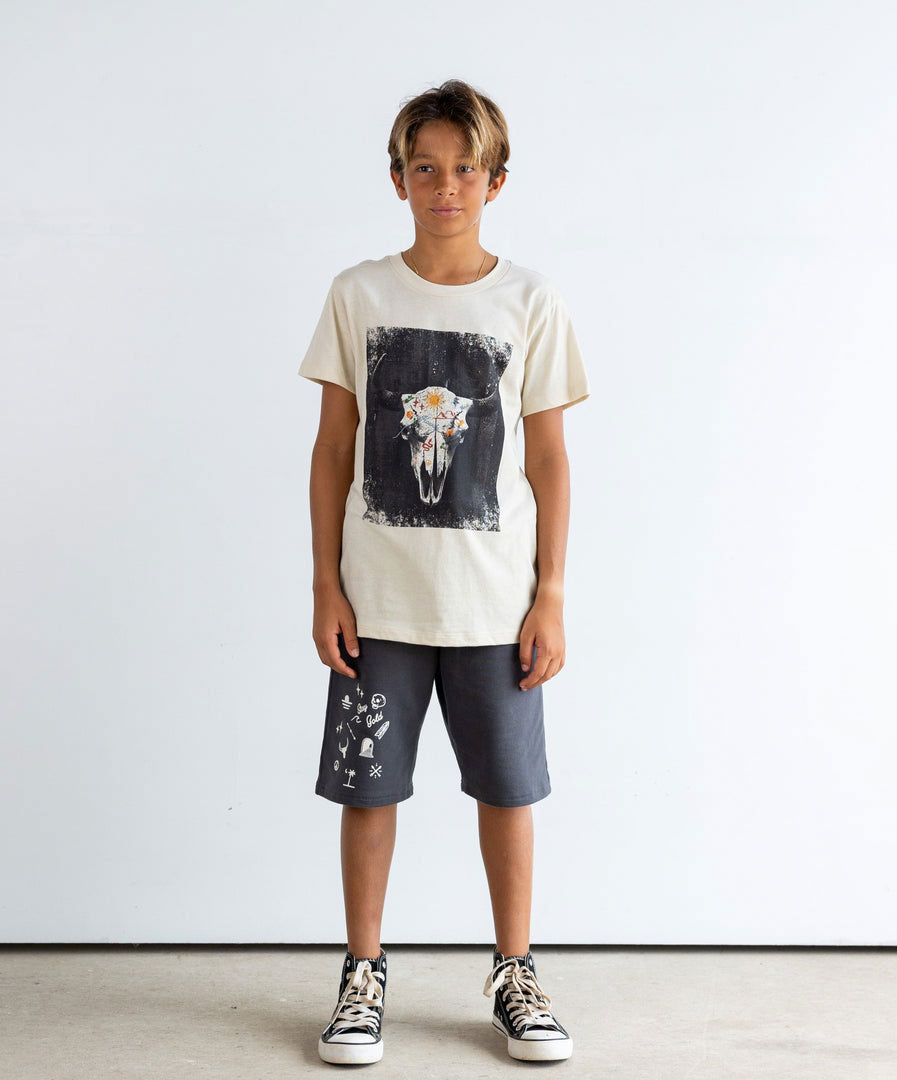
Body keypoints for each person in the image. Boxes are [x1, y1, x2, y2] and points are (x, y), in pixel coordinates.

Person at [298, 78, 590, 1066]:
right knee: (369, 791)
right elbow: (331, 450)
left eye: (466, 169)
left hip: (494, 605)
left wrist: (551, 594)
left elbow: (548, 459)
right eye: (425, 169)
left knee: (508, 791)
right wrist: (326, 584)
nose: (446, 186)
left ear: (496, 181)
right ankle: (362, 974)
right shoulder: (359, 294)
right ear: (398, 180)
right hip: (377, 604)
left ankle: (516, 971)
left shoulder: (530, 301)